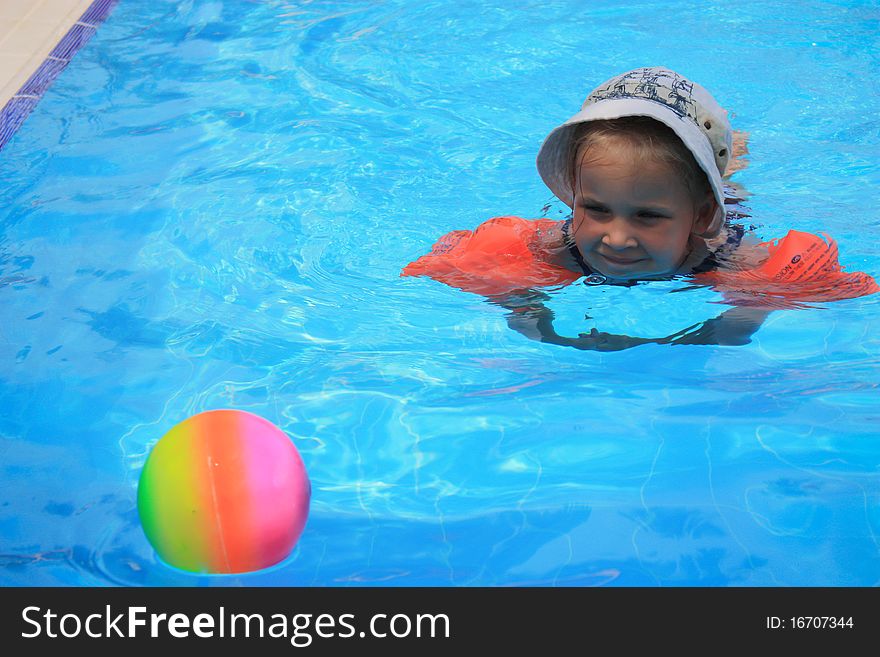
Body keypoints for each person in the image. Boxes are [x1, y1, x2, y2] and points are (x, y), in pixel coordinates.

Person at [401, 67, 879, 351]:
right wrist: (536, 323)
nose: (616, 238)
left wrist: (718, 331)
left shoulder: (733, 257)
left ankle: (727, 158)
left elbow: (735, 331)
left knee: (729, 191)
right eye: (595, 208)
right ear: (573, 196)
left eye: (648, 216)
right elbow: (514, 302)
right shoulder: (551, 248)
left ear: (700, 218)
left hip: (715, 218)